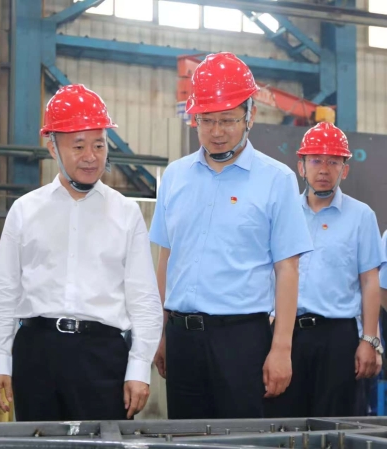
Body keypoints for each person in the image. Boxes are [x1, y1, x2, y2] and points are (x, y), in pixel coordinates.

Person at [0, 84, 163, 421]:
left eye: (99, 144)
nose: (91, 156)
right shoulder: (25, 210)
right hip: (36, 354)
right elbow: (4, 291)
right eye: (78, 146)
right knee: (39, 443)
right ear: (52, 147)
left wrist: (139, 367)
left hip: (103, 357)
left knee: (101, 443)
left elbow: (143, 298)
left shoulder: (126, 213)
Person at [149, 52, 313, 419]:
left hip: (242, 340)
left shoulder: (277, 180)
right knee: (185, 438)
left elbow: (288, 269)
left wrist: (281, 349)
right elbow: (166, 259)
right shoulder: (174, 177)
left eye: (227, 120)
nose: (217, 131)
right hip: (181, 338)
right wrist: (158, 332)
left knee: (241, 437)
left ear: (250, 115)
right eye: (206, 120)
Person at [265, 122, 384, 417]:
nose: (324, 170)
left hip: (338, 339)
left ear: (345, 169)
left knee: (337, 426)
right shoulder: (281, 212)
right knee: (283, 423)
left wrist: (370, 340)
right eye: (316, 160)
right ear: (301, 166)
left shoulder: (361, 216)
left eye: (333, 162)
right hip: (286, 335)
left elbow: (370, 282)